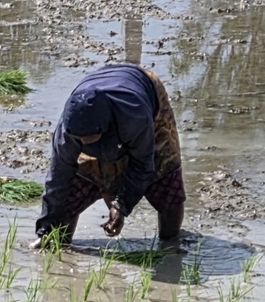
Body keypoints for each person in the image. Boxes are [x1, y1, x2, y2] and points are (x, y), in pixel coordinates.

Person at [31, 63, 185, 251]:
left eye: (90, 138)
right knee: (78, 181)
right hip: (103, 92)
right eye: (81, 140)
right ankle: (60, 241)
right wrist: (45, 229)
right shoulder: (68, 132)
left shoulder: (134, 117)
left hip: (146, 93)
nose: (85, 143)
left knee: (165, 169)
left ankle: (171, 243)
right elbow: (57, 178)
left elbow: (142, 165)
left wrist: (121, 206)